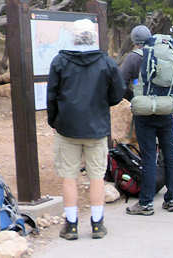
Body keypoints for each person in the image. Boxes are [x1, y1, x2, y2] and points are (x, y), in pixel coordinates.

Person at [47, 19, 125, 240]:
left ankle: (71, 225)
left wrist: (54, 121)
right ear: (93, 37)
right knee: (96, 177)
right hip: (97, 128)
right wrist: (103, 104)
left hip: (67, 128)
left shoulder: (60, 61)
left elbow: (51, 95)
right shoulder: (106, 62)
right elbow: (118, 92)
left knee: (69, 177)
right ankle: (97, 224)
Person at [118, 26, 173, 216]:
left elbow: (121, 82)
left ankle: (145, 203)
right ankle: (172, 199)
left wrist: (133, 98)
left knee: (148, 157)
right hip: (165, 109)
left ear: (134, 40)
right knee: (169, 153)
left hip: (145, 112)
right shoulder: (166, 53)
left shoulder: (134, 57)